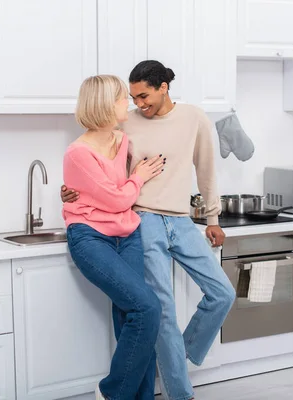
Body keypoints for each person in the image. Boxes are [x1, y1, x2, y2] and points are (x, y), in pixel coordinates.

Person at [62, 61, 236, 400]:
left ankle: (178, 354)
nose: (137, 104)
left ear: (163, 88)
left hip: (182, 220)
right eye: (131, 98)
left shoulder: (194, 119)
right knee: (162, 311)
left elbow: (207, 170)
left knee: (222, 293)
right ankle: (180, 394)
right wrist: (71, 191)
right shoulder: (125, 130)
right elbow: (106, 179)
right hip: (142, 219)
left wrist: (212, 218)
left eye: (143, 96)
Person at [63, 74, 166, 400]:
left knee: (134, 318)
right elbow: (118, 198)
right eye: (123, 98)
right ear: (106, 105)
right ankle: (112, 394)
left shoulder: (122, 140)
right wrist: (138, 178)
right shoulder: (78, 153)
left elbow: (114, 197)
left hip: (128, 233)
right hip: (91, 238)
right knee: (148, 308)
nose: (129, 103)